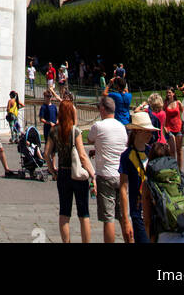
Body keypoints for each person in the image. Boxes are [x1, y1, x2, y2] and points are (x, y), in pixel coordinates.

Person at [45, 96, 95, 242]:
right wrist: (92, 174)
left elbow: (46, 153)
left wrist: (52, 170)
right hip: (78, 175)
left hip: (63, 173)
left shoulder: (54, 131)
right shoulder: (75, 131)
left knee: (64, 212)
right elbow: (82, 155)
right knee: (83, 213)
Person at [87, 94, 127, 244]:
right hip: (121, 175)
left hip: (105, 175)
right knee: (123, 215)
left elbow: (90, 139)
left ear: (103, 109)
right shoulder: (122, 127)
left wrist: (97, 147)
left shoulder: (99, 126)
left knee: (108, 218)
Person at [119, 110, 156, 244]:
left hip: (154, 209)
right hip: (138, 212)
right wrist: (126, 220)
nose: (150, 134)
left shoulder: (151, 151)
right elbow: (123, 188)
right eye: (146, 131)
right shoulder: (127, 156)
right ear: (137, 131)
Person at [163, 87, 183, 165]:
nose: (168, 94)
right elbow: (162, 115)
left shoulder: (178, 103)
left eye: (170, 93)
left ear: (173, 94)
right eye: (167, 93)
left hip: (178, 127)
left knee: (179, 151)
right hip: (169, 128)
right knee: (172, 150)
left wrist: (183, 124)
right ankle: (173, 168)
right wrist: (164, 126)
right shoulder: (165, 103)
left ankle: (179, 169)